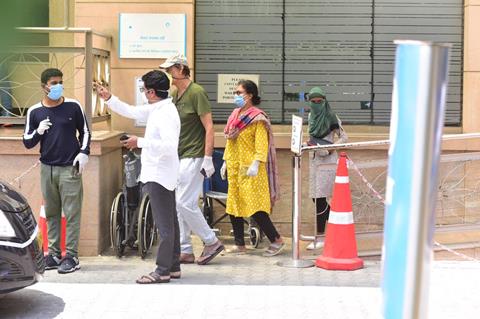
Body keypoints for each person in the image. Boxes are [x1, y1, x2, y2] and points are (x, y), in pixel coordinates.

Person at [95, 70, 181, 284]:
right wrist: (108, 98)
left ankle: (162, 271)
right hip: (160, 173)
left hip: (160, 174)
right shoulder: (159, 108)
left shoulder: (165, 113)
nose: (143, 93)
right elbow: (132, 111)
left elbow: (170, 146)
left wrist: (139, 142)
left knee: (164, 225)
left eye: (144, 90)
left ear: (151, 92)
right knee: (170, 221)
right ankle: (173, 266)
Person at [23, 68, 91, 274]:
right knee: (52, 212)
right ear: (44, 86)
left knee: (71, 213)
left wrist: (84, 152)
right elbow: (27, 142)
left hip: (70, 167)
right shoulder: (35, 111)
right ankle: (53, 254)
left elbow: (86, 131)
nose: (58, 86)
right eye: (54, 82)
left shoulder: (73, 106)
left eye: (60, 82)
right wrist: (38, 131)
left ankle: (71, 255)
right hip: (47, 168)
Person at [160, 53, 224, 265]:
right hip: (179, 155)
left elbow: (209, 127)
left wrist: (207, 157)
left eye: (171, 70)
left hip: (195, 155)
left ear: (181, 68)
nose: (169, 74)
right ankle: (185, 249)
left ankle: (211, 240)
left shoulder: (196, 93)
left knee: (184, 202)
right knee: (178, 204)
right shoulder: (174, 94)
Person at [221, 79, 284, 257]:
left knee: (255, 208)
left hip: (250, 169)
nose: (236, 96)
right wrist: (225, 161)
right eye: (235, 92)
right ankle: (240, 245)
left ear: (249, 95)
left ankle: (277, 240)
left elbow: (262, 145)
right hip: (235, 166)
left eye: (239, 93)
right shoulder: (235, 114)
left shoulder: (257, 118)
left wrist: (256, 163)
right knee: (234, 206)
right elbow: (230, 141)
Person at [306, 86, 348, 250]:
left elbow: (344, 137)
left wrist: (331, 148)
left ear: (324, 101)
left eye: (319, 101)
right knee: (316, 198)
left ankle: (321, 236)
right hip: (314, 160)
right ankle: (340, 223)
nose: (317, 104)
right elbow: (312, 136)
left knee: (320, 199)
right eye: (313, 101)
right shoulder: (311, 116)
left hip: (328, 160)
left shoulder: (331, 116)